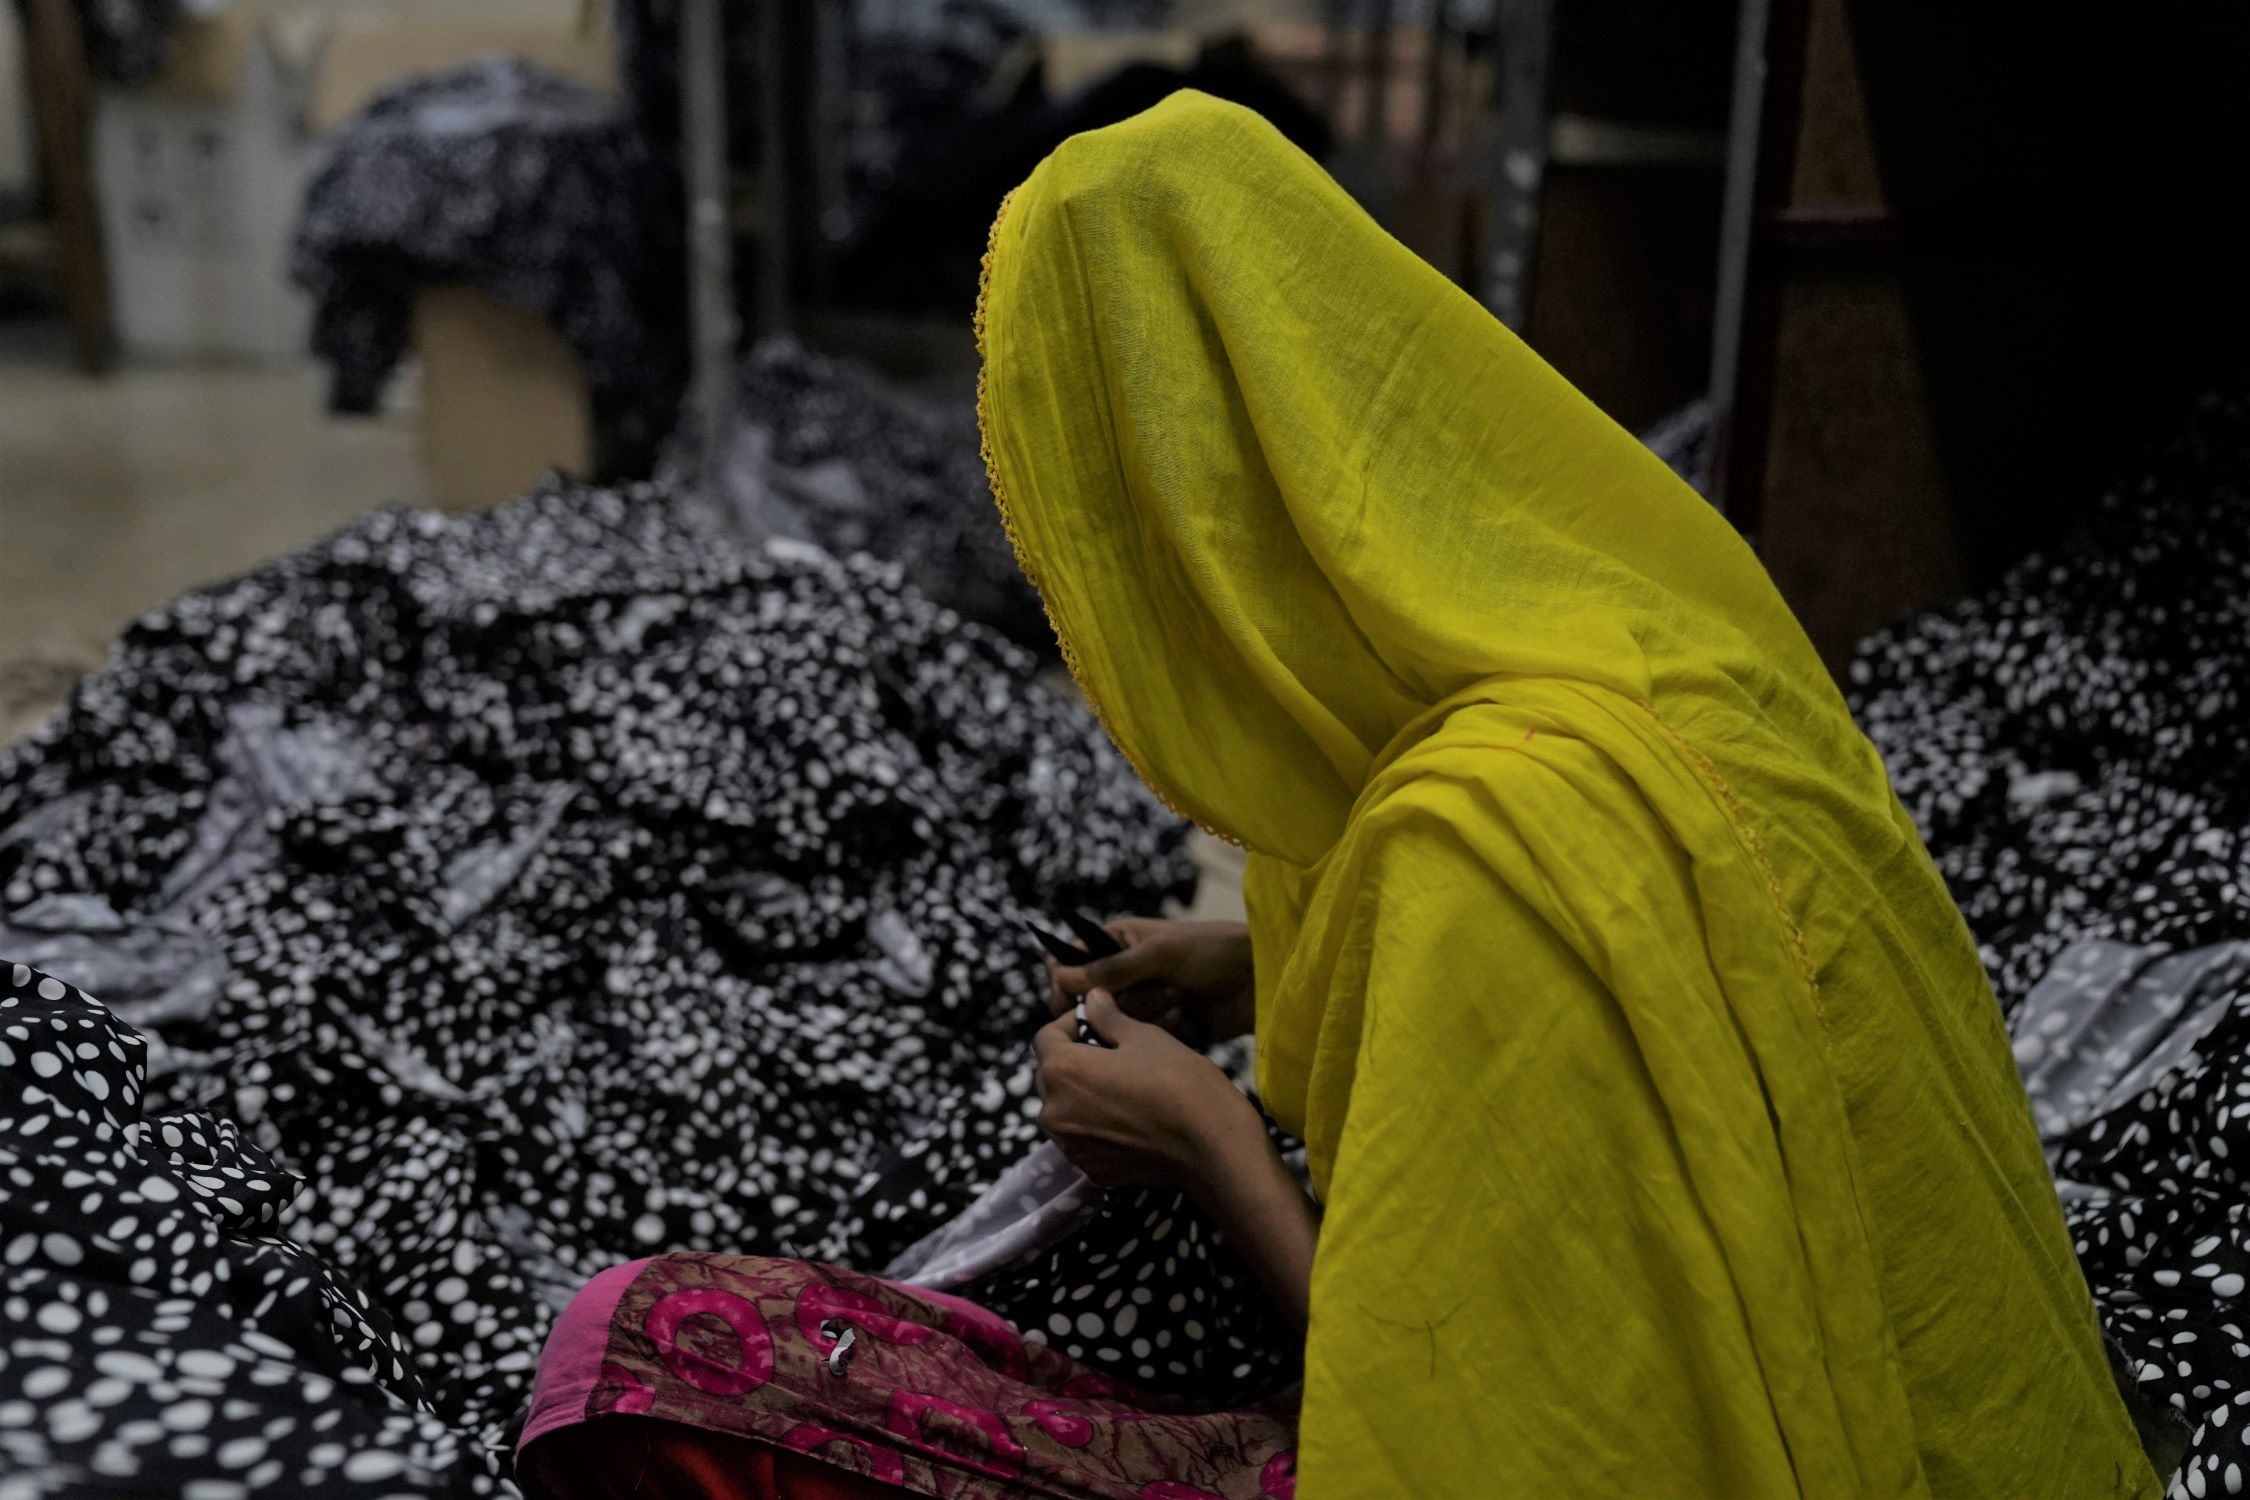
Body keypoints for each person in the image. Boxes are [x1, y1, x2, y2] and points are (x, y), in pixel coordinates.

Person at [518, 89, 2159, 1498]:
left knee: (652, 1357)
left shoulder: (1494, 836)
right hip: (1969, 1418)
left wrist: (1208, 1142)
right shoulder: (1644, 633)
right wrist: (1248, 963)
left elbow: (1532, 1431)